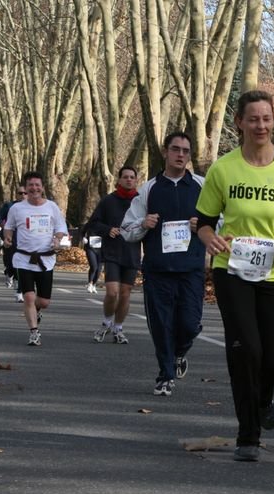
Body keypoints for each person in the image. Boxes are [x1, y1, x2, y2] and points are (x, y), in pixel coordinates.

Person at [196, 90, 274, 462]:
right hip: (232, 270)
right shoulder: (224, 168)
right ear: (239, 123)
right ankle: (247, 436)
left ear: (273, 121)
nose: (260, 125)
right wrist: (211, 239)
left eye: (266, 118)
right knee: (245, 350)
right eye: (253, 119)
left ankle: (265, 397)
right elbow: (203, 222)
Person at [121, 132, 205, 397]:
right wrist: (144, 225)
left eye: (186, 151)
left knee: (190, 324)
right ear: (165, 152)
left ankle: (179, 353)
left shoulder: (202, 186)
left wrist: (203, 225)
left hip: (191, 268)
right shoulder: (148, 189)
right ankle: (165, 375)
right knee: (161, 325)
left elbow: (223, 221)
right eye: (175, 149)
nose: (181, 155)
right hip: (158, 269)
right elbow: (127, 229)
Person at [3, 171, 69, 346]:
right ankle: (34, 332)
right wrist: (8, 237)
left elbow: (61, 227)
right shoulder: (17, 208)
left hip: (45, 259)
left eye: (37, 185)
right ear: (26, 188)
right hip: (23, 259)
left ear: (42, 188)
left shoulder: (52, 207)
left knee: (44, 301)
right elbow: (8, 227)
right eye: (30, 185)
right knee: (29, 298)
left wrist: (57, 238)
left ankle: (36, 310)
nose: (34, 188)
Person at [88, 166, 142, 344]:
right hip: (112, 253)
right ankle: (106, 322)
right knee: (112, 293)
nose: (128, 180)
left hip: (132, 253)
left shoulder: (140, 201)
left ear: (136, 180)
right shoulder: (108, 201)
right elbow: (93, 223)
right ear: (118, 180)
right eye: (125, 177)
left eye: (132, 177)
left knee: (125, 294)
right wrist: (107, 229)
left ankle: (118, 328)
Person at [0, 186, 27, 300]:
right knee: (11, 263)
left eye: (25, 193)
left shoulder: (33, 207)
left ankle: (19, 292)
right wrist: (6, 228)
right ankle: (9, 273)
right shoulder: (9, 206)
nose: (23, 195)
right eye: (20, 193)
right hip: (11, 238)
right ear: (16, 195)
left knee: (22, 265)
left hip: (26, 239)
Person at [81, 220, 103, 294]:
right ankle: (90, 284)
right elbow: (82, 232)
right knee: (94, 266)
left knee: (99, 269)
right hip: (90, 247)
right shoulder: (90, 224)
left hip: (101, 249)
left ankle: (94, 284)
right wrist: (83, 238)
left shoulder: (106, 224)